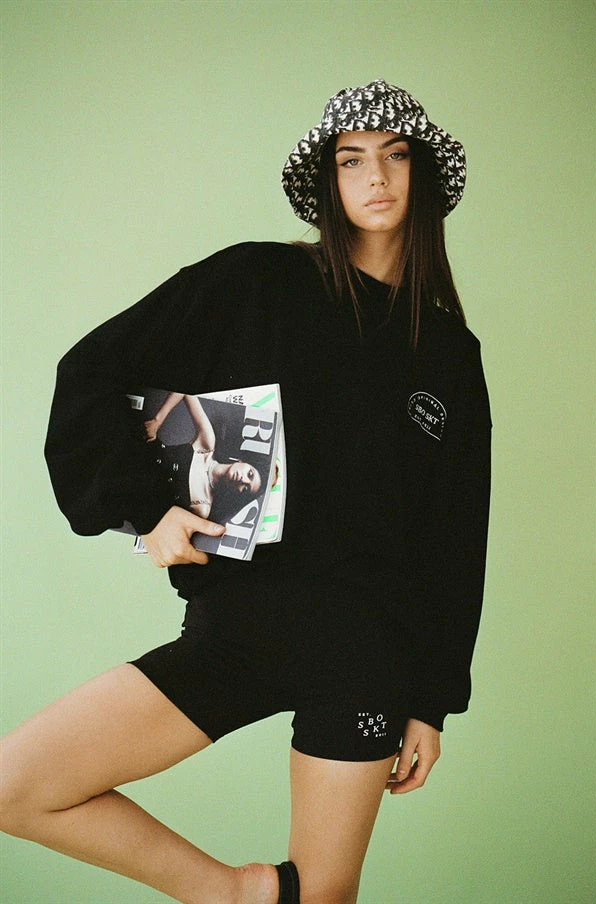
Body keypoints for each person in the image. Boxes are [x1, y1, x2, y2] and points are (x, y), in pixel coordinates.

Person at [0, 79, 491, 904]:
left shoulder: (447, 350)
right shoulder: (256, 280)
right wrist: (146, 509)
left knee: (324, 897)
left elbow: (455, 535)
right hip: (238, 629)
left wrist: (433, 703)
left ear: (423, 174)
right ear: (328, 182)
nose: (376, 176)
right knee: (17, 785)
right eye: (351, 160)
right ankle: (235, 896)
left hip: (368, 651)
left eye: (396, 156)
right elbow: (91, 374)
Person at [143, 391, 267, 520]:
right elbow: (186, 393)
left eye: (246, 488)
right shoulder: (206, 445)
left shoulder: (202, 507)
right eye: (250, 474)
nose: (244, 480)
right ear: (242, 461)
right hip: (139, 447)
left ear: (237, 495)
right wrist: (157, 422)